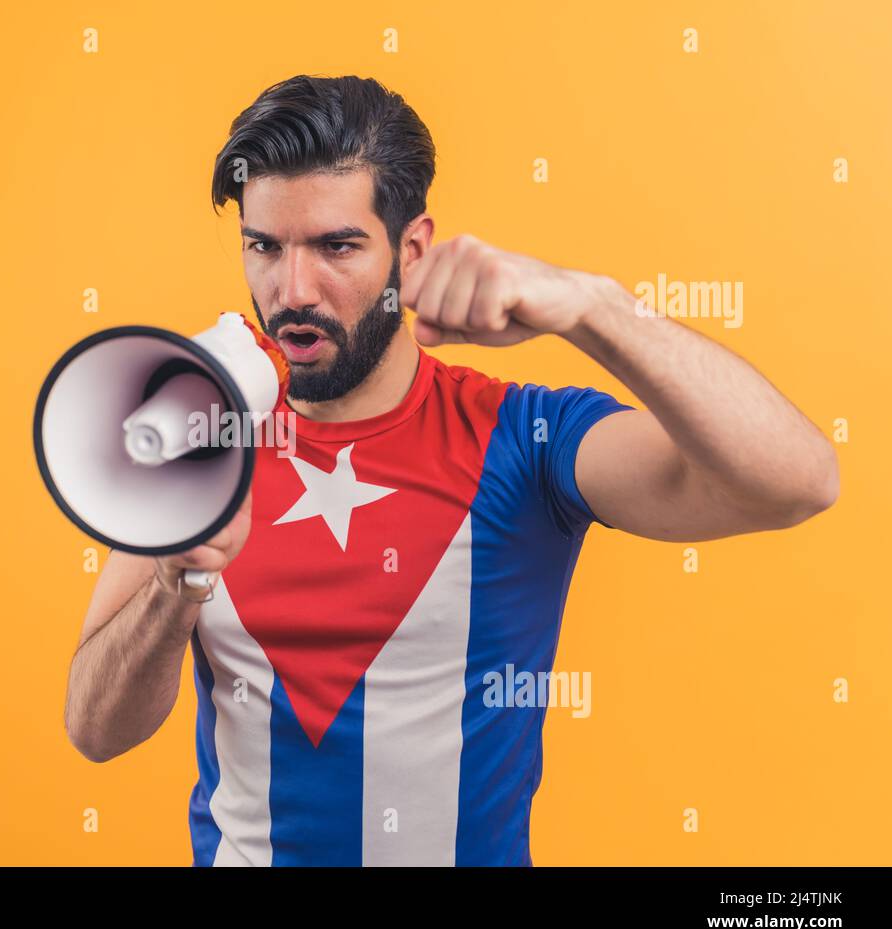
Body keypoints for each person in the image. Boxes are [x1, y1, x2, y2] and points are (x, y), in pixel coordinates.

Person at [62, 75, 839, 866]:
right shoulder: (201, 433)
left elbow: (796, 482)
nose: (292, 291)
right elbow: (95, 730)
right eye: (264, 246)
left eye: (336, 247)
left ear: (412, 250)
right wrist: (175, 583)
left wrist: (594, 306)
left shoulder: (526, 437)